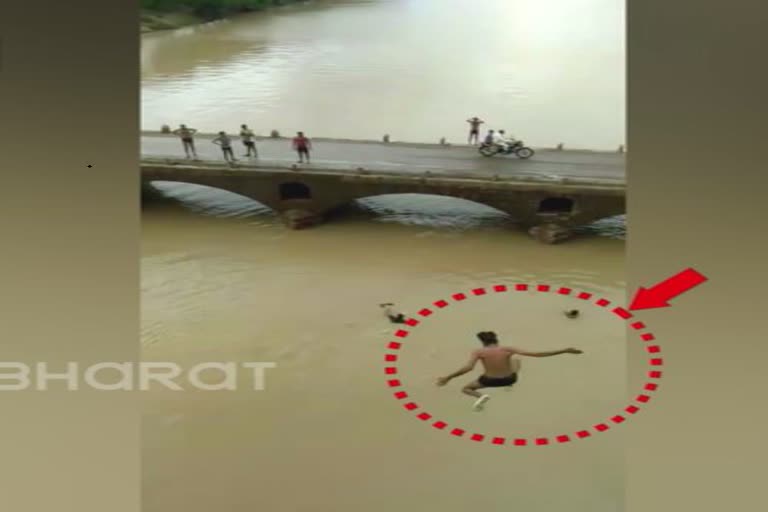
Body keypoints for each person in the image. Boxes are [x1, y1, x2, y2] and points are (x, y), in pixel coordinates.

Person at [436, 331, 583, 411]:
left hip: (489, 381)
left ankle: (480, 396)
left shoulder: (478, 351)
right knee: (516, 360)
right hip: (509, 378)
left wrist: (448, 378)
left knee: (466, 388)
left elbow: (468, 368)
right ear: (497, 340)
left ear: (483, 342)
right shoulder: (507, 349)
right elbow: (537, 354)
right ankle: (510, 385)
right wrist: (564, 350)